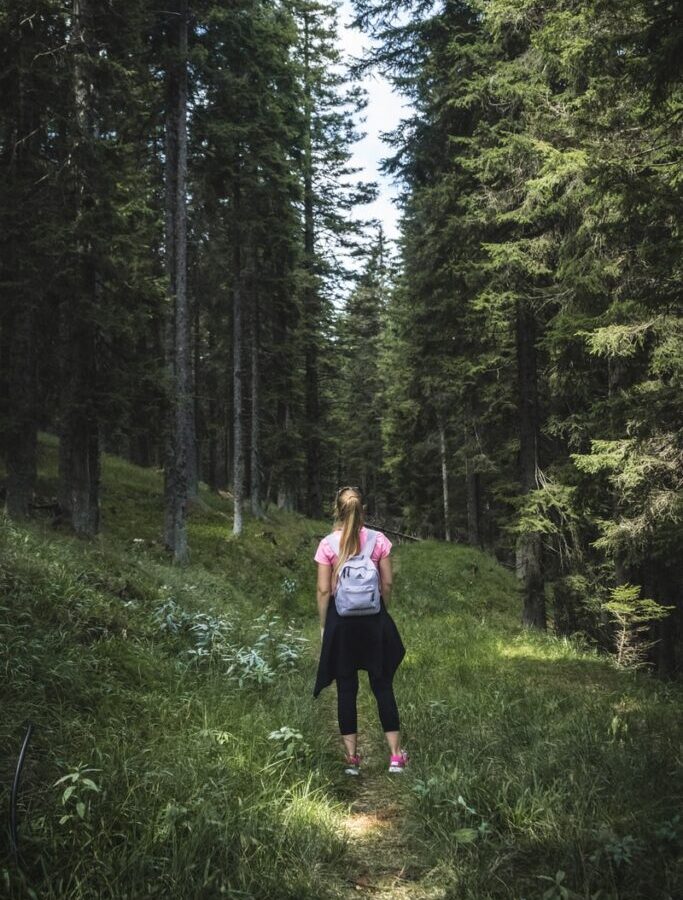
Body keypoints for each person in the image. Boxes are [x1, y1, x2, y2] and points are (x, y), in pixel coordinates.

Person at [312, 485, 408, 775]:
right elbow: (387, 583)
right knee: (382, 685)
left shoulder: (328, 544)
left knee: (346, 689)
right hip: (373, 621)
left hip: (342, 624)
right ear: (362, 509)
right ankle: (395, 757)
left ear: (337, 511)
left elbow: (323, 589)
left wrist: (323, 624)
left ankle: (352, 760)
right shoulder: (379, 541)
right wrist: (380, 607)